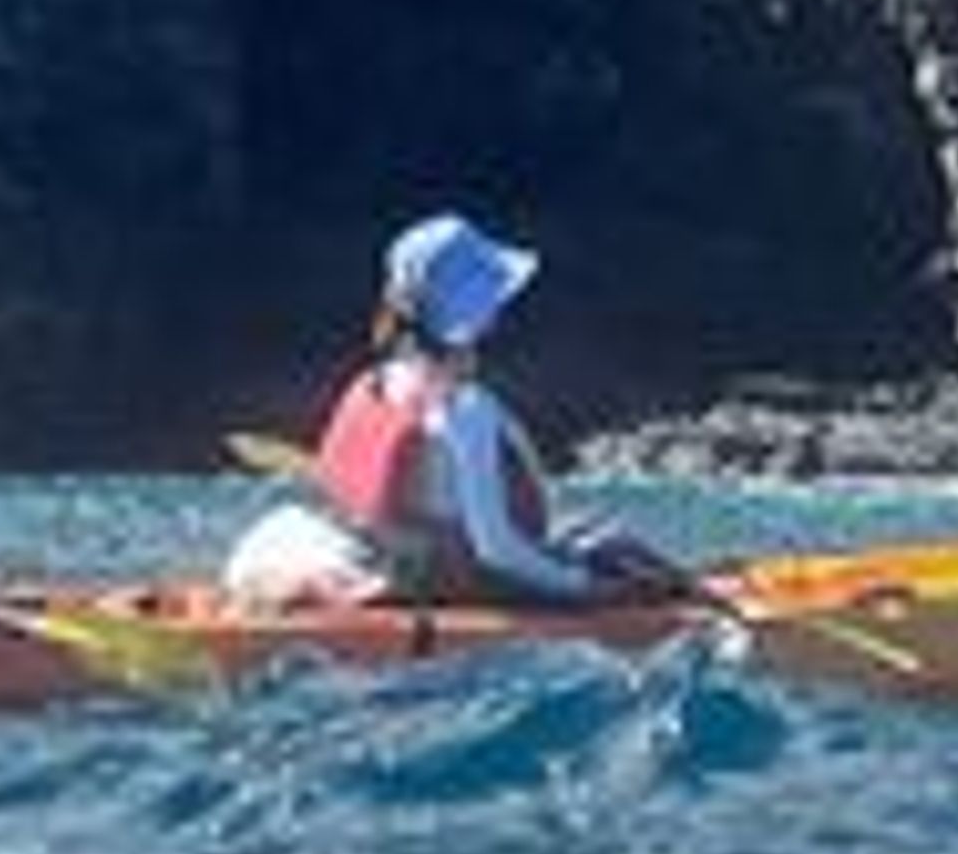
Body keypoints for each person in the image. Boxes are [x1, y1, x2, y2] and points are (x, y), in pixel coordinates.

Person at [226, 210, 672, 614]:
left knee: (596, 534)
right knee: (612, 544)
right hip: (456, 585)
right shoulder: (464, 406)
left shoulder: (375, 384)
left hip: (387, 566)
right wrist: (584, 589)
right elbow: (497, 549)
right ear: (476, 310)